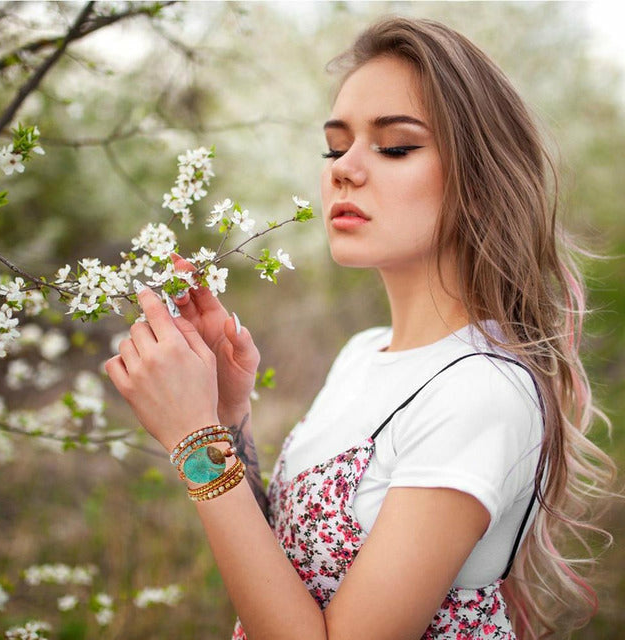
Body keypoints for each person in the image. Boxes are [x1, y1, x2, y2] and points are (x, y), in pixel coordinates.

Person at [105, 16, 615, 640]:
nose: (343, 169)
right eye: (335, 145)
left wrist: (196, 441)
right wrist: (226, 413)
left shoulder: (479, 392)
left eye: (395, 146)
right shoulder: (363, 352)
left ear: (478, 186)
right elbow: (287, 569)